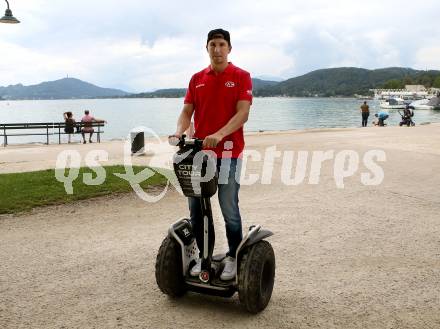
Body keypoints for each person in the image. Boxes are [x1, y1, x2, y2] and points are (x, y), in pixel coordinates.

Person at [169, 28, 252, 281]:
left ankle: (232, 257)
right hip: (199, 155)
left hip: (228, 153)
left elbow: (243, 113)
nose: (217, 49)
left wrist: (219, 134)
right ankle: (204, 257)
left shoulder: (241, 76)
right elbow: (186, 112)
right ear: (207, 48)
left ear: (229, 48)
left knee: (229, 209)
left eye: (221, 44)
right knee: (196, 209)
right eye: (212, 45)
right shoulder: (197, 79)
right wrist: (179, 132)